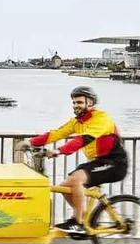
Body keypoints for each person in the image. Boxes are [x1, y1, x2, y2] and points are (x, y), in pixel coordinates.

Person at [25, 86, 129, 232]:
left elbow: (83, 140)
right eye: (74, 103)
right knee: (66, 187)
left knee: (76, 180)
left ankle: (78, 222)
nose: (75, 106)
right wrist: (30, 142)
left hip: (114, 163)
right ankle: (84, 217)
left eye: (79, 102)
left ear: (90, 103)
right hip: (98, 162)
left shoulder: (101, 118)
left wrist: (59, 150)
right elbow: (57, 133)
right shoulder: (77, 122)